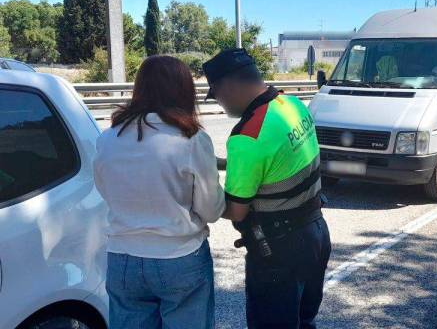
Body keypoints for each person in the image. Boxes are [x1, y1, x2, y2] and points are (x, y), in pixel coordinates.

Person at [93, 56, 225, 329]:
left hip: (122, 257)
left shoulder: (108, 138)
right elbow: (211, 210)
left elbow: (104, 189)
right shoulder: (191, 139)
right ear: (184, 90)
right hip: (179, 256)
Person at [203, 48, 331, 329]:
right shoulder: (291, 104)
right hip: (316, 235)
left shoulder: (247, 135)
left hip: (279, 253)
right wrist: (224, 163)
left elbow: (237, 211)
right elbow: (277, 161)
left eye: (217, 94)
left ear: (228, 85)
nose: (221, 104)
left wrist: (199, 196)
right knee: (304, 321)